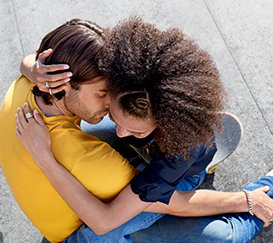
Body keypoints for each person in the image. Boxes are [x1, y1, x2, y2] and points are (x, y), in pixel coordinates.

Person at [16, 17, 273, 243]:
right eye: (114, 117)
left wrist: (246, 200)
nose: (119, 133)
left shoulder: (176, 155)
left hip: (173, 168)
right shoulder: (125, 79)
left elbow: (177, 206)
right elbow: (66, 65)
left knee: (218, 237)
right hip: (159, 146)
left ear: (165, 123)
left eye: (136, 131)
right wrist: (34, 69)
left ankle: (264, 185)